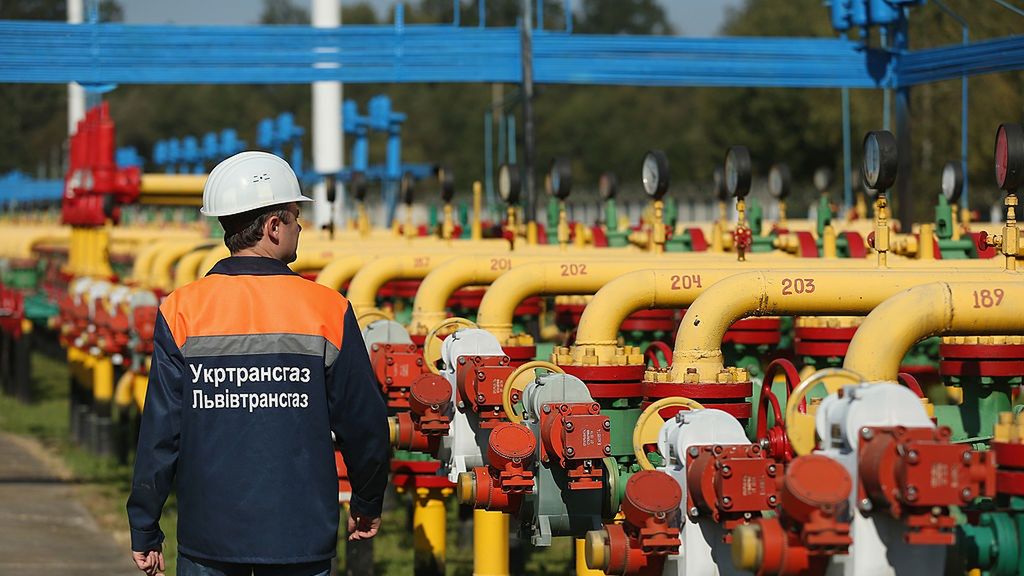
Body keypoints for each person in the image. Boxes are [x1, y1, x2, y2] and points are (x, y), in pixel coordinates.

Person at [127, 151, 389, 576]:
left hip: (208, 539)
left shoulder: (182, 309)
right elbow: (364, 424)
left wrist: (145, 525)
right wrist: (366, 501)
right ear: (272, 227)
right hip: (300, 538)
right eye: (293, 215)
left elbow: (160, 432)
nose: (299, 225)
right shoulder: (328, 308)